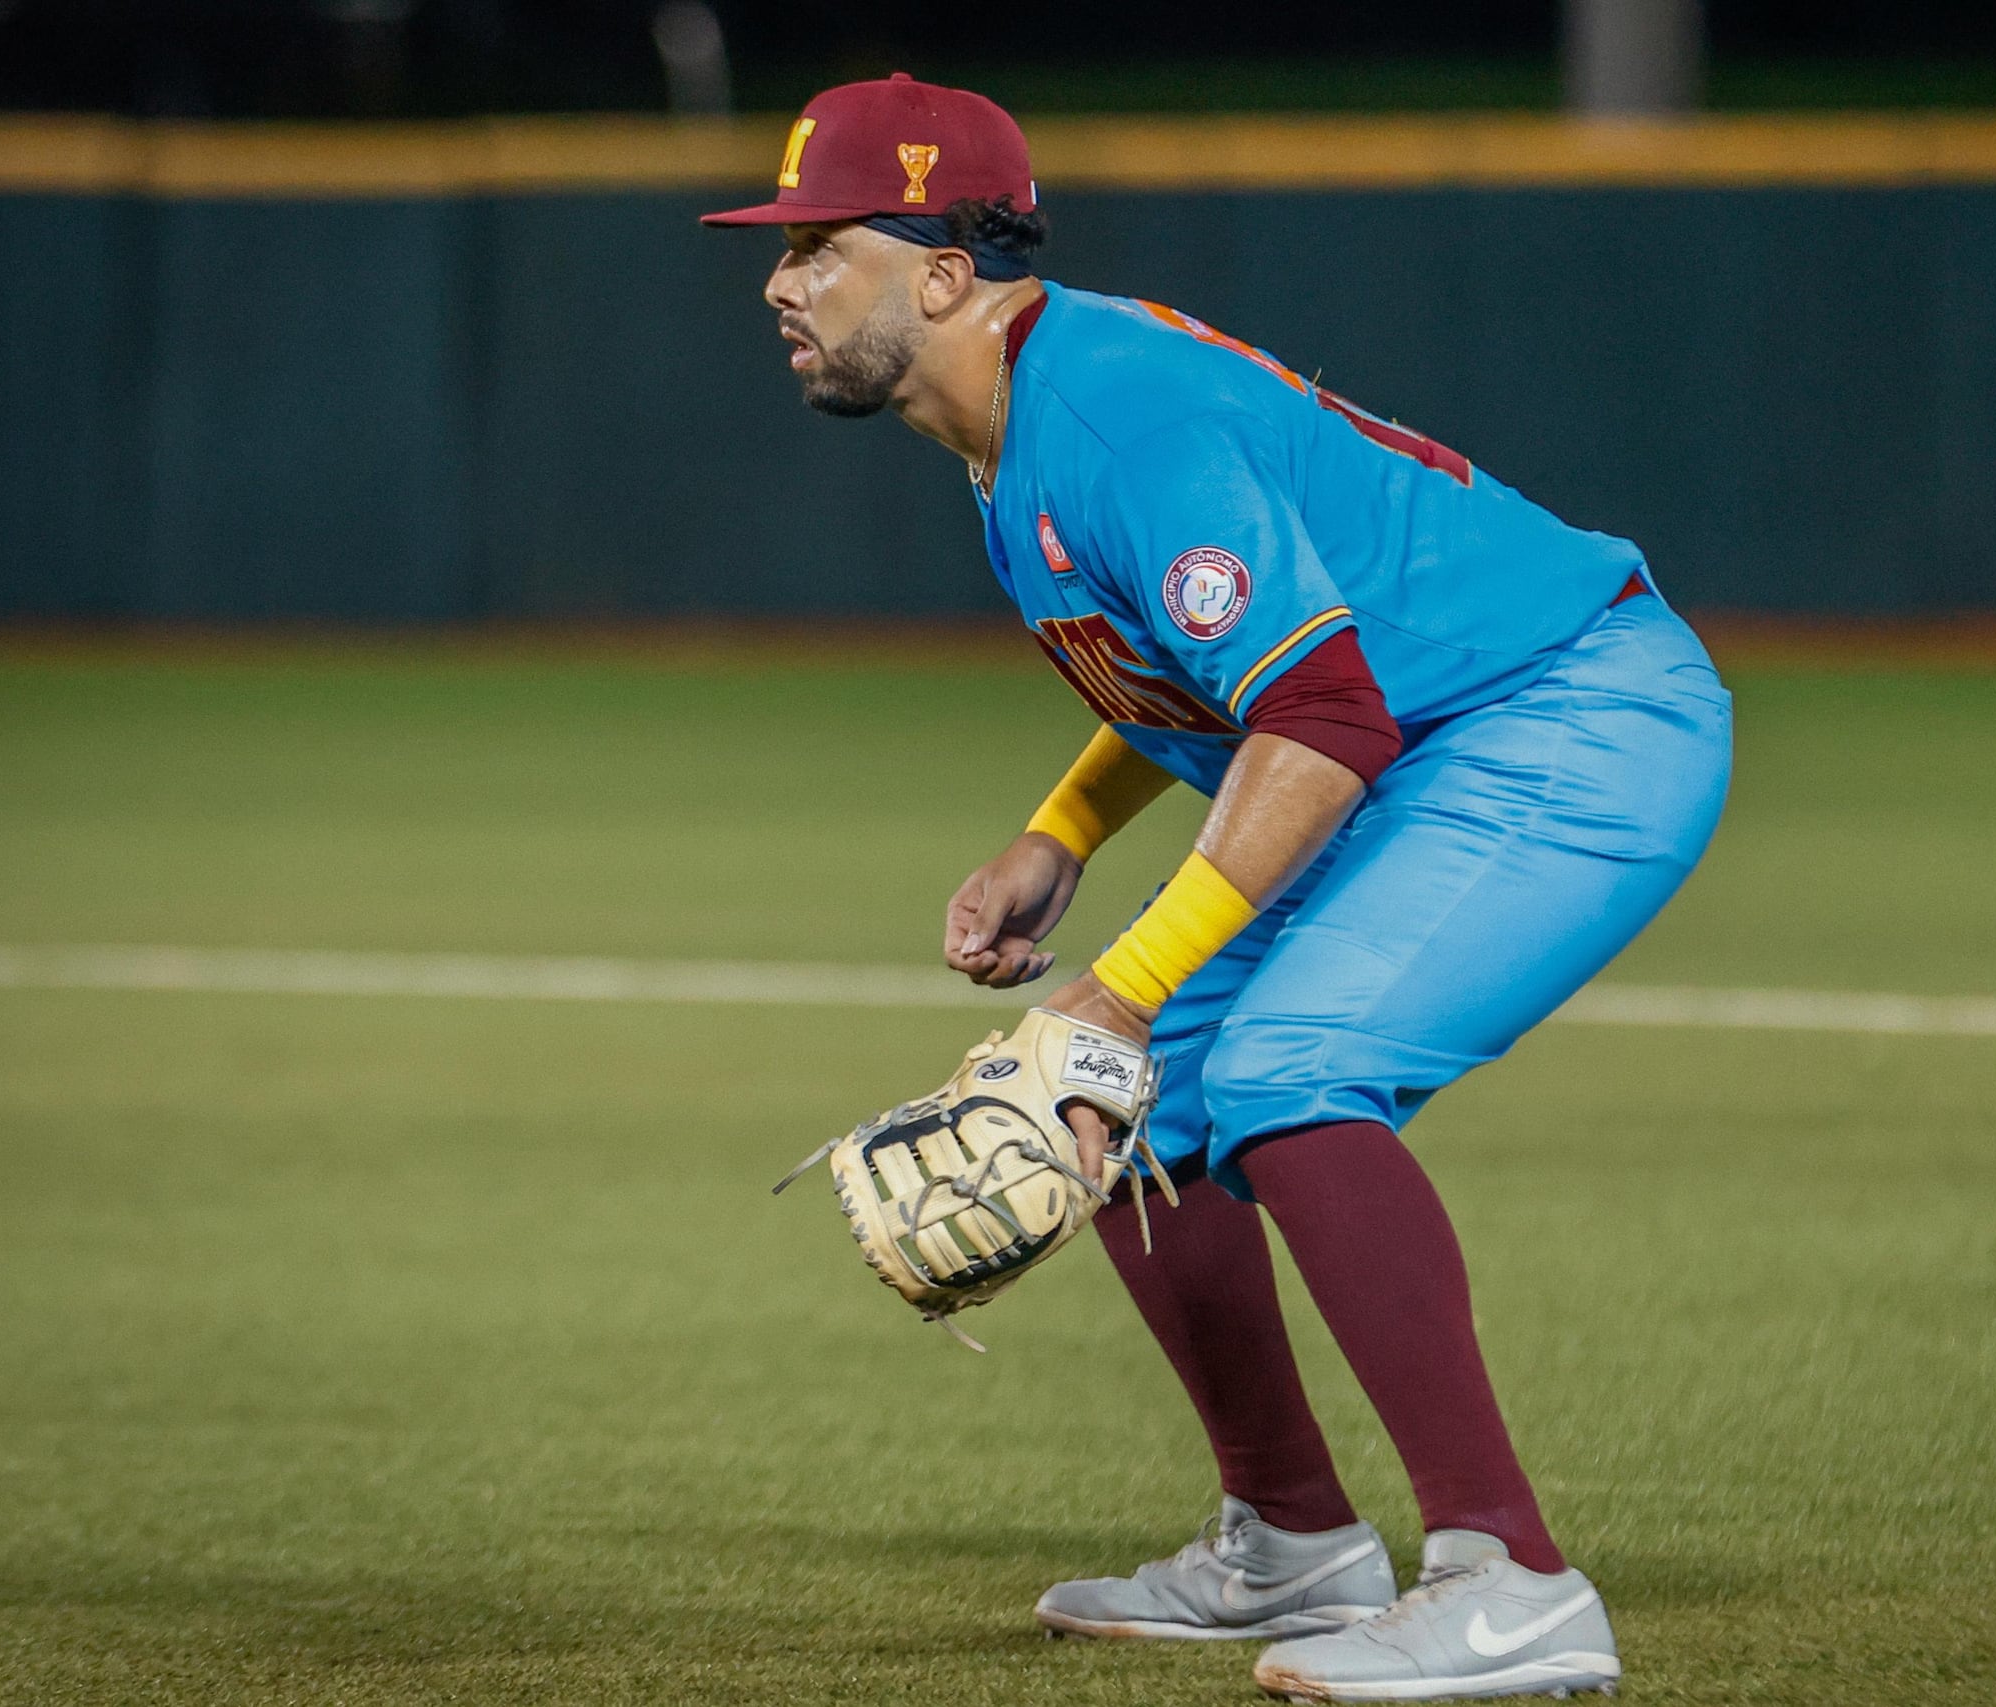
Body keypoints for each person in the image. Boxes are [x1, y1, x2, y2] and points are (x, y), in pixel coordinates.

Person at [705, 73, 1731, 1703]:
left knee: (1273, 1068)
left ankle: (1512, 1579)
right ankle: (1293, 1539)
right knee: (1142, 1103)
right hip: (1427, 733)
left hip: (1570, 711)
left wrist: (1113, 988)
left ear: (945, 271)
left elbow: (1318, 718)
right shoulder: (1012, 416)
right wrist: (1063, 831)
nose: (778, 279)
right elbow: (1206, 677)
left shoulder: (1108, 409)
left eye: (819, 244)